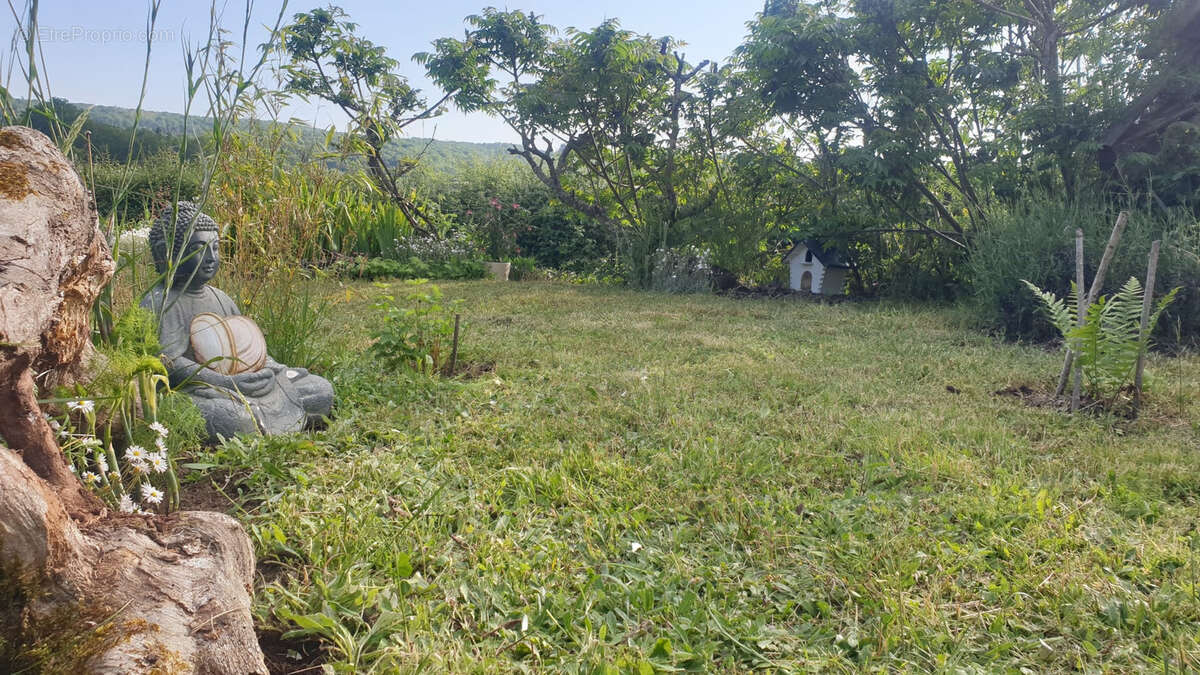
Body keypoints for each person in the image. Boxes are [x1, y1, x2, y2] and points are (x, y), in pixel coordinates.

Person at [140, 202, 333, 441]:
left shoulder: (220, 298)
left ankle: (264, 417)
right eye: (199, 249)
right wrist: (226, 382)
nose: (211, 258)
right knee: (233, 417)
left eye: (216, 248)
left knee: (319, 390)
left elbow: (245, 347)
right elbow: (169, 364)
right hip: (202, 390)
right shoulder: (160, 301)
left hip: (242, 383)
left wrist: (271, 369)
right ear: (165, 252)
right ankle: (257, 420)